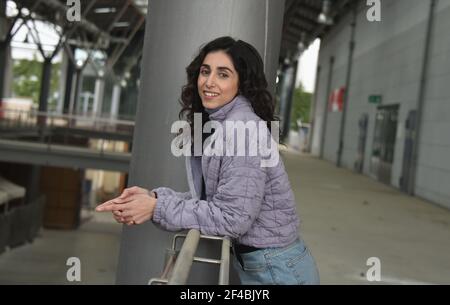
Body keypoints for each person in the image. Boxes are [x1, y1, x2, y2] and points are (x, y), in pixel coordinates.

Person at [96, 36, 319, 285]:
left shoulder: (242, 131)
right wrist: (155, 199)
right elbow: (216, 200)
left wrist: (156, 209)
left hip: (277, 272)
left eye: (223, 74)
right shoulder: (225, 125)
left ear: (241, 83)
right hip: (269, 265)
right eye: (205, 71)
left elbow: (232, 218)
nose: (209, 82)